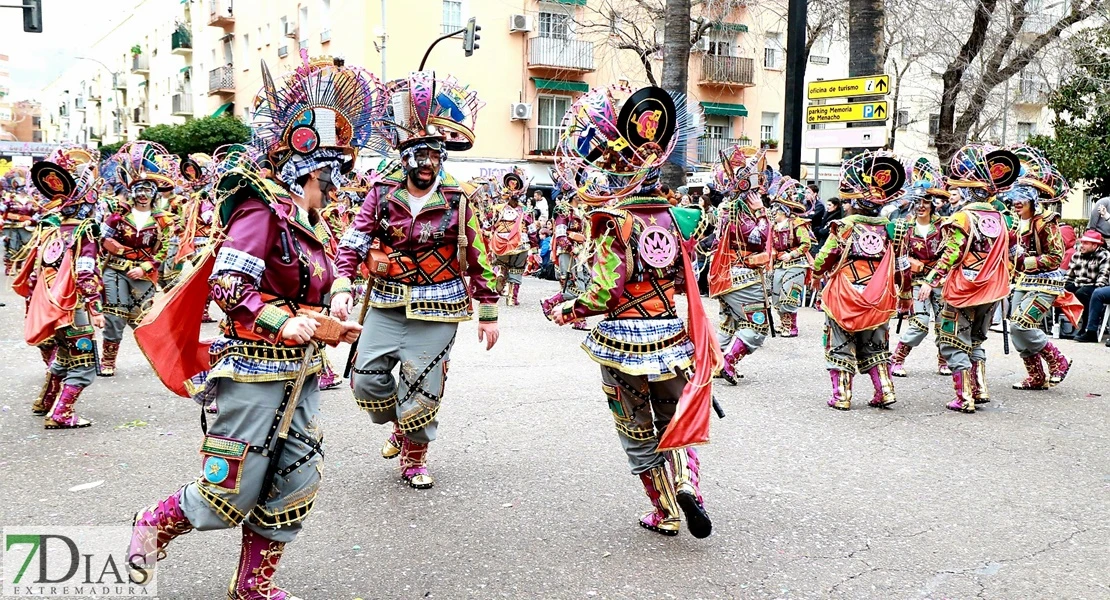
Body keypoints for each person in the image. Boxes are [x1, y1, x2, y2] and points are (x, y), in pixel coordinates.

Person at [127, 54, 373, 598]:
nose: (337, 190)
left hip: (301, 374)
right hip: (253, 371)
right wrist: (281, 324)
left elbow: (315, 285)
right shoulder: (260, 211)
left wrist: (332, 322)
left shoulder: (310, 222)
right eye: (332, 178)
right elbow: (230, 287)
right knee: (229, 491)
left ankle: (253, 586)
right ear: (309, 173)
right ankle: (152, 523)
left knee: (294, 481)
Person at [547, 85, 718, 539]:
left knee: (636, 425)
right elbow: (687, 281)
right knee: (674, 417)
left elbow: (604, 290)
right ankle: (687, 485)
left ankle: (665, 511)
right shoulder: (680, 220)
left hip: (623, 340)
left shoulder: (615, 224)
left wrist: (568, 309)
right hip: (669, 336)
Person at [330, 70, 500, 490]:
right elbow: (353, 239)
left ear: (442, 159)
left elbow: (478, 253)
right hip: (387, 300)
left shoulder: (459, 198)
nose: (427, 164)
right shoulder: (382, 192)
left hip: (441, 304)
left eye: (434, 157)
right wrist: (341, 286)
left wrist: (489, 311)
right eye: (419, 156)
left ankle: (415, 457)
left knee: (423, 387)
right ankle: (400, 426)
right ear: (405, 158)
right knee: (367, 379)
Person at [918, 144, 1020, 413]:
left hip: (963, 287)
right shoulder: (1004, 219)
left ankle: (964, 397)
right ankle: (980, 389)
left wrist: (931, 279)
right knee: (976, 339)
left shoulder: (962, 217)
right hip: (993, 288)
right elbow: (1014, 254)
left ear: (966, 190)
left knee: (952, 340)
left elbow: (952, 254)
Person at [812, 151, 911, 411]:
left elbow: (825, 257)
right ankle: (885, 390)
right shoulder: (892, 229)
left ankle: (842, 395)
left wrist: (816, 273)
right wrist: (904, 293)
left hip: (846, 292)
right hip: (877, 295)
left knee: (840, 340)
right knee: (876, 342)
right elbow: (902, 266)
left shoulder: (844, 226)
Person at [20, 149, 105, 429]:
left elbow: (35, 272)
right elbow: (84, 271)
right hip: (74, 307)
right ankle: (61, 413)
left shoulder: (52, 230)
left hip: (53, 307)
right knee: (83, 365)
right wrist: (95, 308)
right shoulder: (85, 231)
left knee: (65, 355)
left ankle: (45, 401)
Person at [99, 142, 176, 377]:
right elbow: (103, 239)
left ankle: (158, 357)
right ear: (132, 193)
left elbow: (164, 249)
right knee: (114, 315)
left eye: (147, 190)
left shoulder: (164, 219)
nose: (143, 194)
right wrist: (116, 249)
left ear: (154, 194)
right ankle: (108, 360)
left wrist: (145, 267)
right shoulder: (117, 216)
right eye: (139, 189)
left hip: (144, 274)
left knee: (143, 317)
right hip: (115, 270)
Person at [1001, 145, 1072, 389]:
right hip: (1023, 281)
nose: (1015, 203)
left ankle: (1058, 360)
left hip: (1047, 283)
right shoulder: (1013, 225)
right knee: (1016, 328)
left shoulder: (1046, 223)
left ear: (1032, 199)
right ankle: (1036, 376)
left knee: (1022, 323)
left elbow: (1056, 256)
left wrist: (1025, 262)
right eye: (1013, 198)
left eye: (1021, 197)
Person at [706, 146, 772, 385]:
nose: (759, 193)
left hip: (729, 273)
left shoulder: (729, 210)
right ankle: (727, 362)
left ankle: (708, 363)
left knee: (730, 323)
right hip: (742, 275)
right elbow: (758, 239)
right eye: (756, 189)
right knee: (757, 325)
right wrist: (762, 214)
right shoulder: (738, 212)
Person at [891, 158, 952, 377]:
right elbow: (898, 257)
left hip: (940, 281)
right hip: (916, 282)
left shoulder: (945, 226)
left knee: (945, 323)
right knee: (920, 323)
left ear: (933, 202)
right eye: (917, 202)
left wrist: (933, 279)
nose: (921, 206)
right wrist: (905, 288)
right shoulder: (903, 227)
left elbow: (949, 256)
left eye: (926, 201)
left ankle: (943, 360)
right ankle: (896, 358)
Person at [767, 177, 813, 338]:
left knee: (789, 294)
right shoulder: (773, 227)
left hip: (797, 263)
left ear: (782, 212)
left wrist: (791, 254)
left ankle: (792, 326)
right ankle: (782, 323)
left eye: (775, 210)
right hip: (780, 263)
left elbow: (806, 244)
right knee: (776, 294)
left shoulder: (797, 224)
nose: (772, 213)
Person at [489, 169, 537, 306]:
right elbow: (532, 230)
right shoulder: (525, 211)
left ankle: (500, 274)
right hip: (520, 241)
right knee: (517, 268)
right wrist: (534, 247)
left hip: (500, 241)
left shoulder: (498, 209)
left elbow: (488, 224)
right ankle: (511, 298)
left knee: (501, 264)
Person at [1067, 230, 1110, 341]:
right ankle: (1065, 327)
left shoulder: (1104, 255)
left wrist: (1096, 286)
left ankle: (1086, 327)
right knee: (1065, 290)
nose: (1082, 245)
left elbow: (1103, 277)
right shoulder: (1076, 255)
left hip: (1095, 285)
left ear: (1094, 245)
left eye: (1085, 243)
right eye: (1082, 242)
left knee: (1083, 293)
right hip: (1079, 283)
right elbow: (1069, 276)